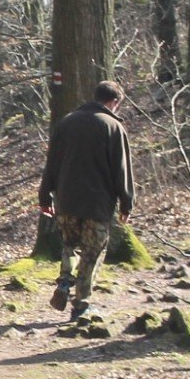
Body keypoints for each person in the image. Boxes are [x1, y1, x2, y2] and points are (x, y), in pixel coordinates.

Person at [38, 80, 135, 320]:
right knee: (93, 251)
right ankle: (81, 303)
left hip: (66, 199)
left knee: (70, 244)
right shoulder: (113, 127)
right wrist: (126, 202)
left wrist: (45, 196)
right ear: (114, 102)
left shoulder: (66, 122)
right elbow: (122, 170)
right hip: (97, 203)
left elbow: (52, 163)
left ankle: (64, 282)